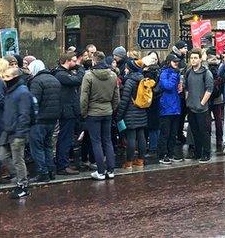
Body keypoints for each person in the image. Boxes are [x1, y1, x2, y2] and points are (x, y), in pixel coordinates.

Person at [80, 51, 119, 180]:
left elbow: (84, 97)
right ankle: (111, 170)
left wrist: (84, 112)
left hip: (93, 112)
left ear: (94, 61)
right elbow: (116, 97)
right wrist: (112, 109)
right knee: (107, 140)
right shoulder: (113, 75)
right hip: (107, 111)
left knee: (96, 142)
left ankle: (101, 171)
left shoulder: (89, 76)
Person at [1, 67, 33, 198]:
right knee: (3, 156)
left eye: (8, 77)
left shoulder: (22, 92)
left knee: (17, 159)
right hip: (8, 129)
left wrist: (20, 133)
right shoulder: (12, 91)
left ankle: (23, 185)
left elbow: (24, 114)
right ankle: (21, 177)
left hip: (17, 131)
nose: (5, 79)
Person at [28, 58, 61, 183]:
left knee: (37, 147)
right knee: (48, 145)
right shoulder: (55, 79)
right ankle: (51, 170)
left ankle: (42, 171)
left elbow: (34, 102)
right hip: (52, 118)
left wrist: (31, 118)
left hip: (39, 120)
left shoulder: (36, 81)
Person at [52, 52, 84, 175]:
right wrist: (81, 68)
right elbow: (78, 80)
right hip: (66, 111)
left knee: (67, 138)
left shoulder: (65, 73)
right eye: (74, 61)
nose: (76, 63)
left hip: (70, 110)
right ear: (67, 61)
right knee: (65, 138)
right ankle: (62, 166)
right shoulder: (61, 74)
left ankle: (64, 163)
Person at [117, 55, 151, 169]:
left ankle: (129, 162)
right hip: (141, 112)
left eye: (126, 68)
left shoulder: (129, 82)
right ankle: (141, 160)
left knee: (131, 137)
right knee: (141, 136)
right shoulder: (143, 79)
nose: (125, 69)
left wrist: (119, 115)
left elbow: (125, 100)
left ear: (130, 69)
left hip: (130, 113)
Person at [184, 49, 214, 162]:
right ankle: (197, 152)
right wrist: (188, 100)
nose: (193, 60)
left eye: (195, 58)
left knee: (204, 132)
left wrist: (202, 103)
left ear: (200, 59)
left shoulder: (206, 73)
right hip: (191, 107)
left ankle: (206, 153)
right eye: (191, 58)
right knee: (195, 132)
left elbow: (209, 89)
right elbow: (186, 87)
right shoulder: (188, 72)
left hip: (202, 109)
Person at [157, 54, 184, 163]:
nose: (176, 63)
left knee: (173, 133)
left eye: (177, 61)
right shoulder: (164, 73)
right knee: (165, 133)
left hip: (175, 107)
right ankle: (162, 155)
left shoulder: (177, 73)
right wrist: (174, 75)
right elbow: (167, 86)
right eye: (174, 61)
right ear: (169, 62)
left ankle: (171, 153)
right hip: (166, 107)